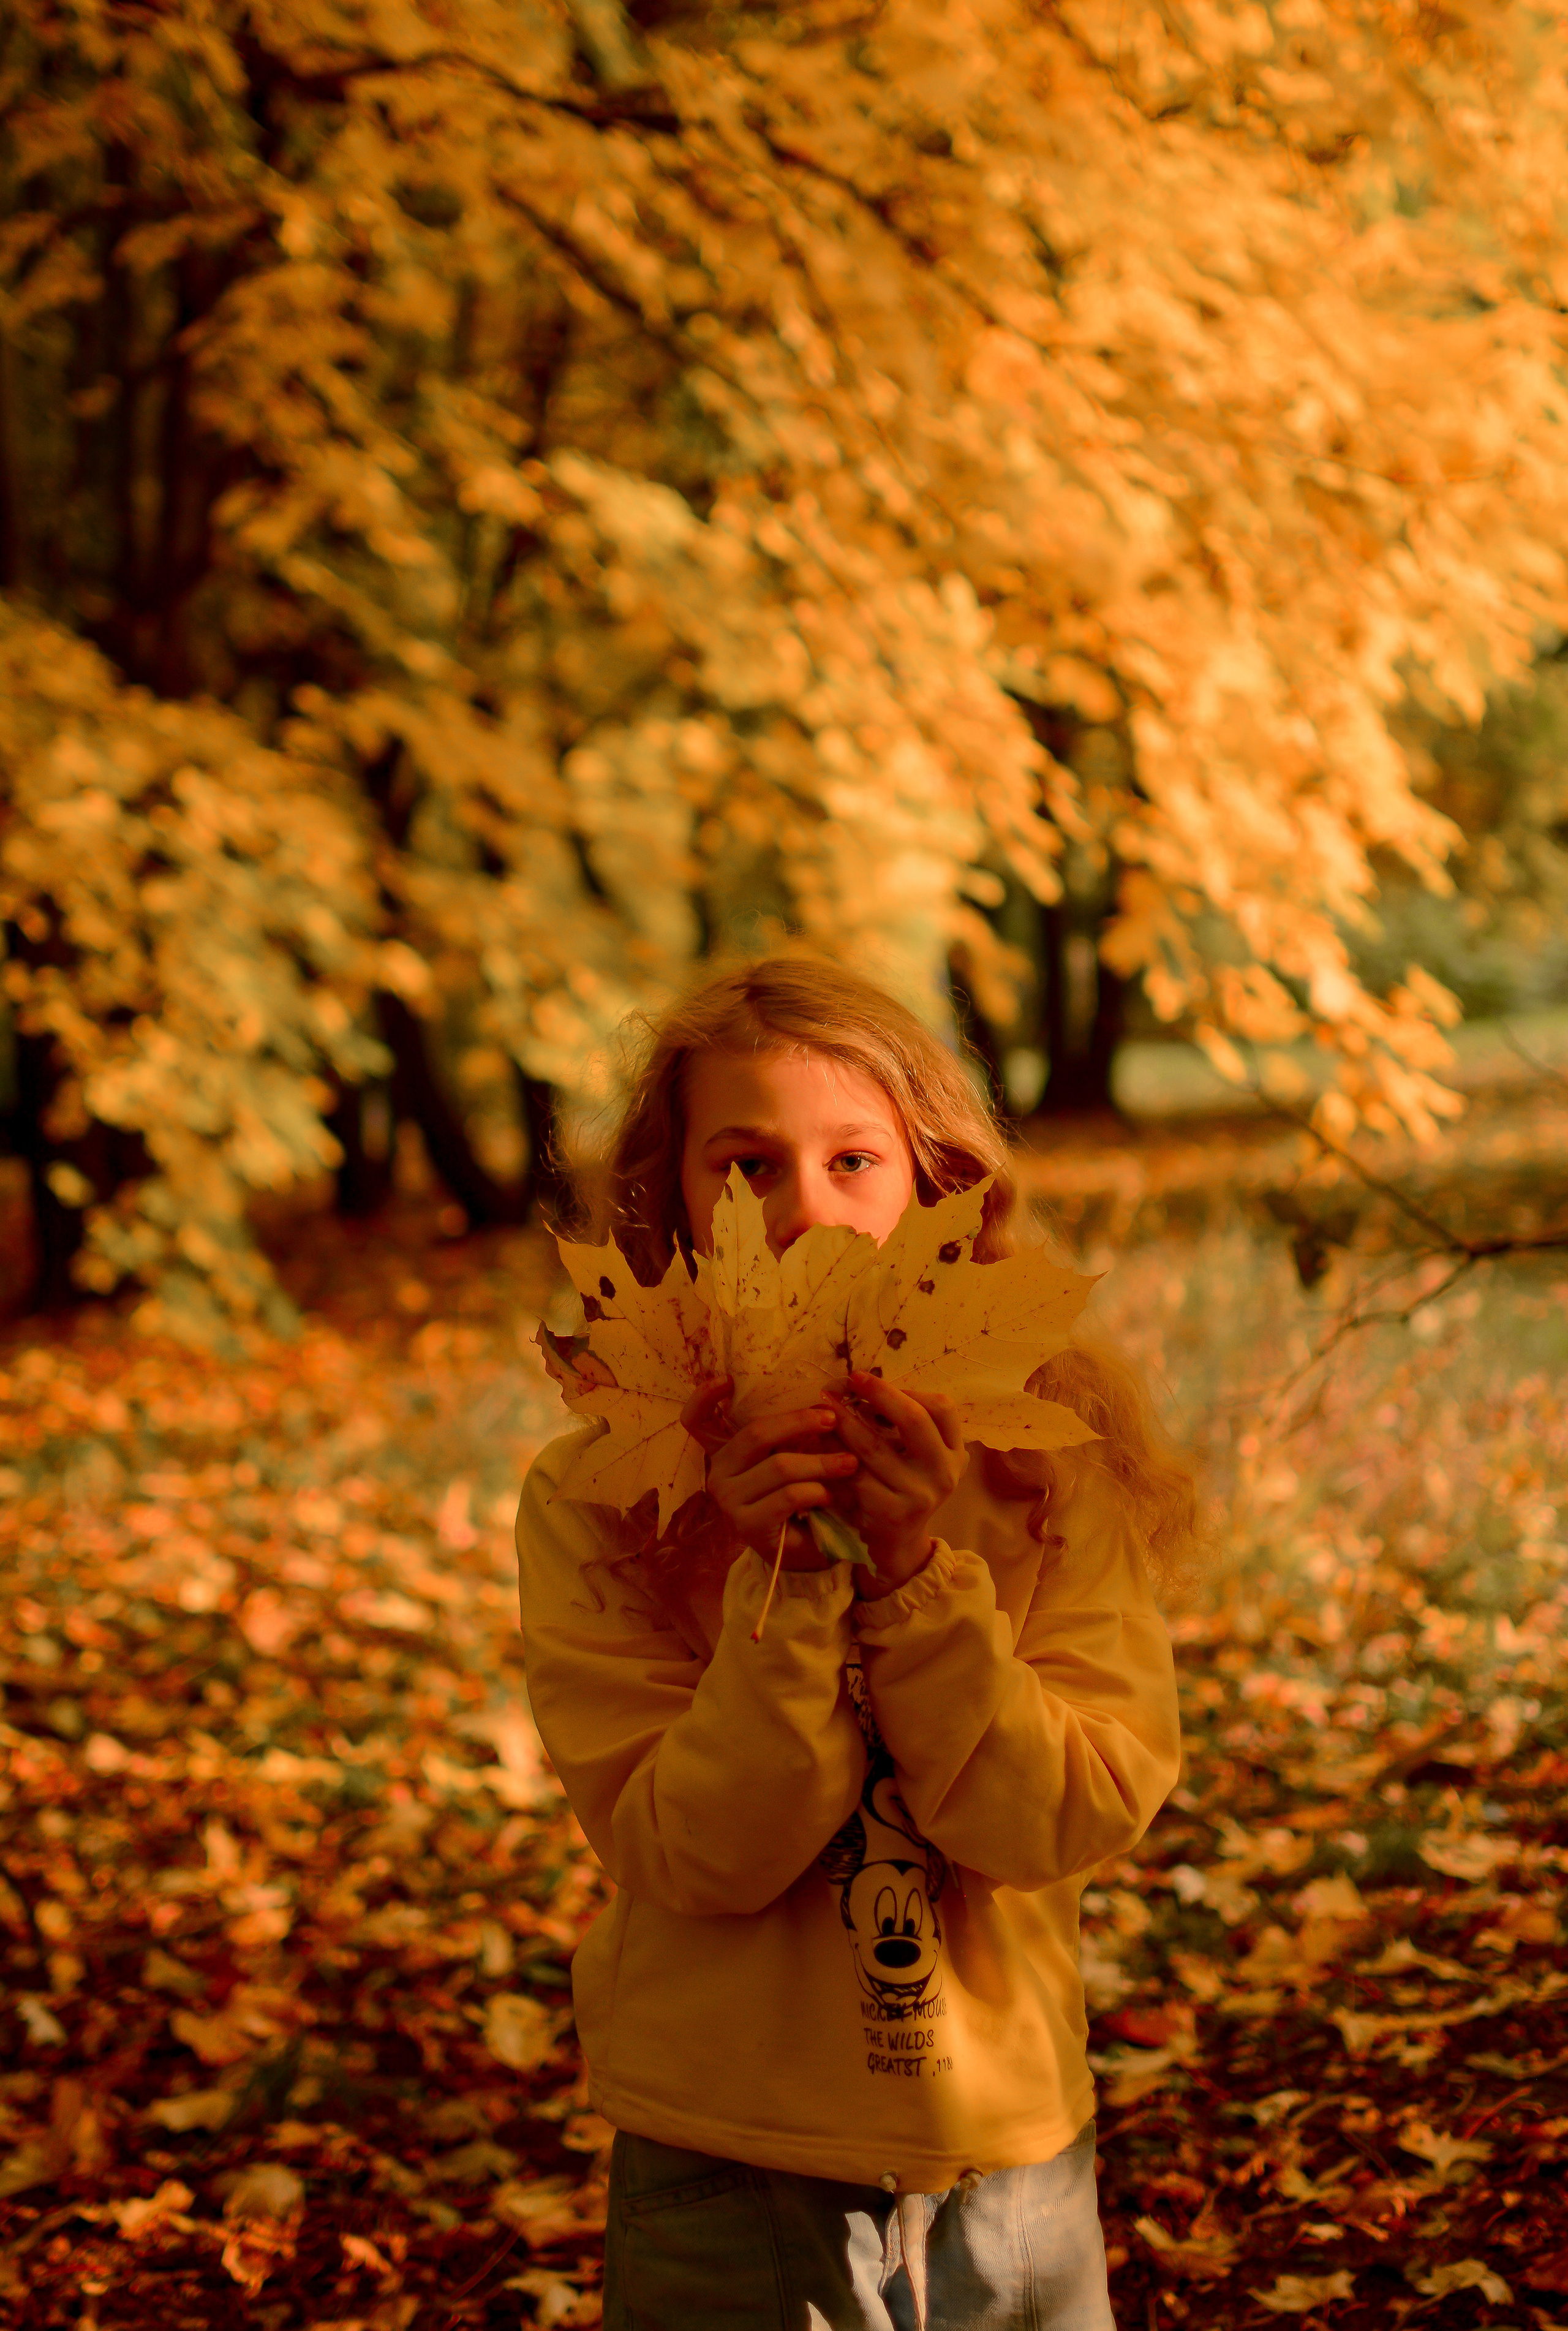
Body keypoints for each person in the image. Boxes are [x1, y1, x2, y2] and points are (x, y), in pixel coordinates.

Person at [515, 955, 1193, 2331]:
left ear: (937, 1183)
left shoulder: (1043, 1461)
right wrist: (780, 1584)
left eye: (852, 1160)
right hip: (729, 2153)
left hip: (1008, 2161)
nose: (806, 1212)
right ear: (675, 1194)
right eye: (746, 1164)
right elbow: (688, 1847)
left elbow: (1070, 1809)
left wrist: (911, 1577)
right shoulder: (601, 1487)